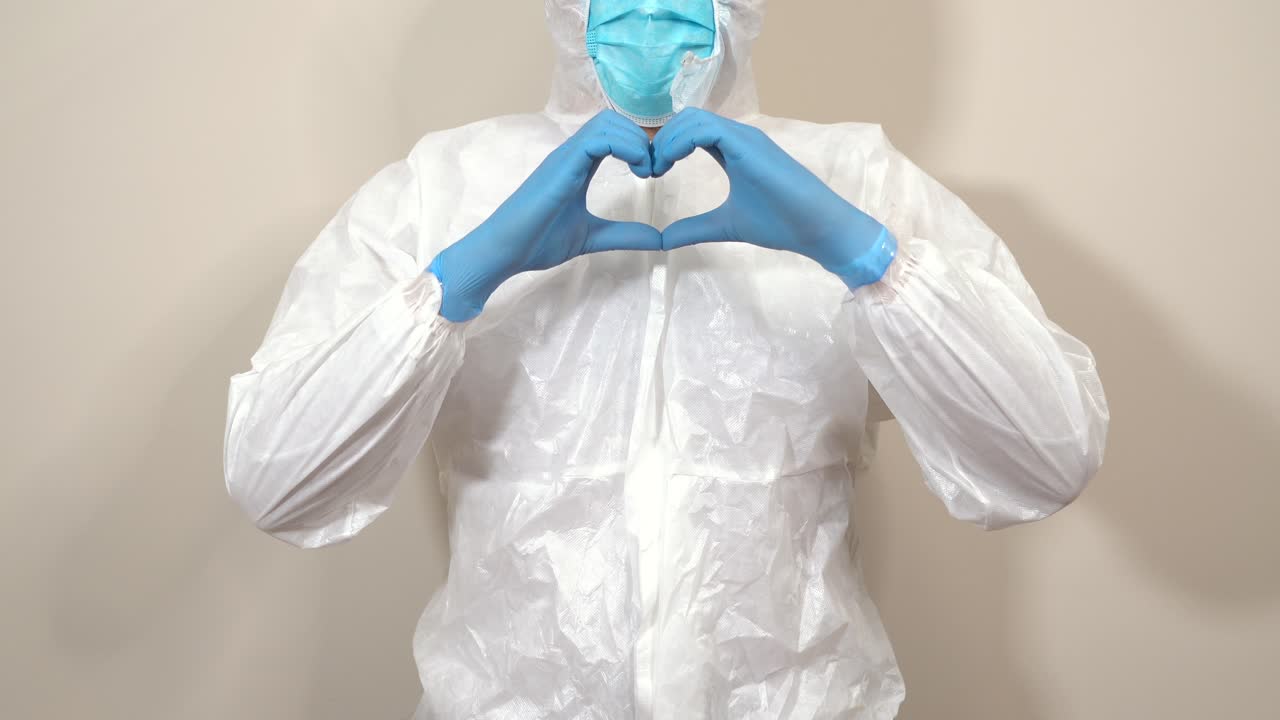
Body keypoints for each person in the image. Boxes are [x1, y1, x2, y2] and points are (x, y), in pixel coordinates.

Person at [223, 0, 1110, 717]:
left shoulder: (855, 176)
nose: (649, 13)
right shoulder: (441, 187)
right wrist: (463, 275)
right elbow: (281, 483)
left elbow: (1045, 461)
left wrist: (863, 252)